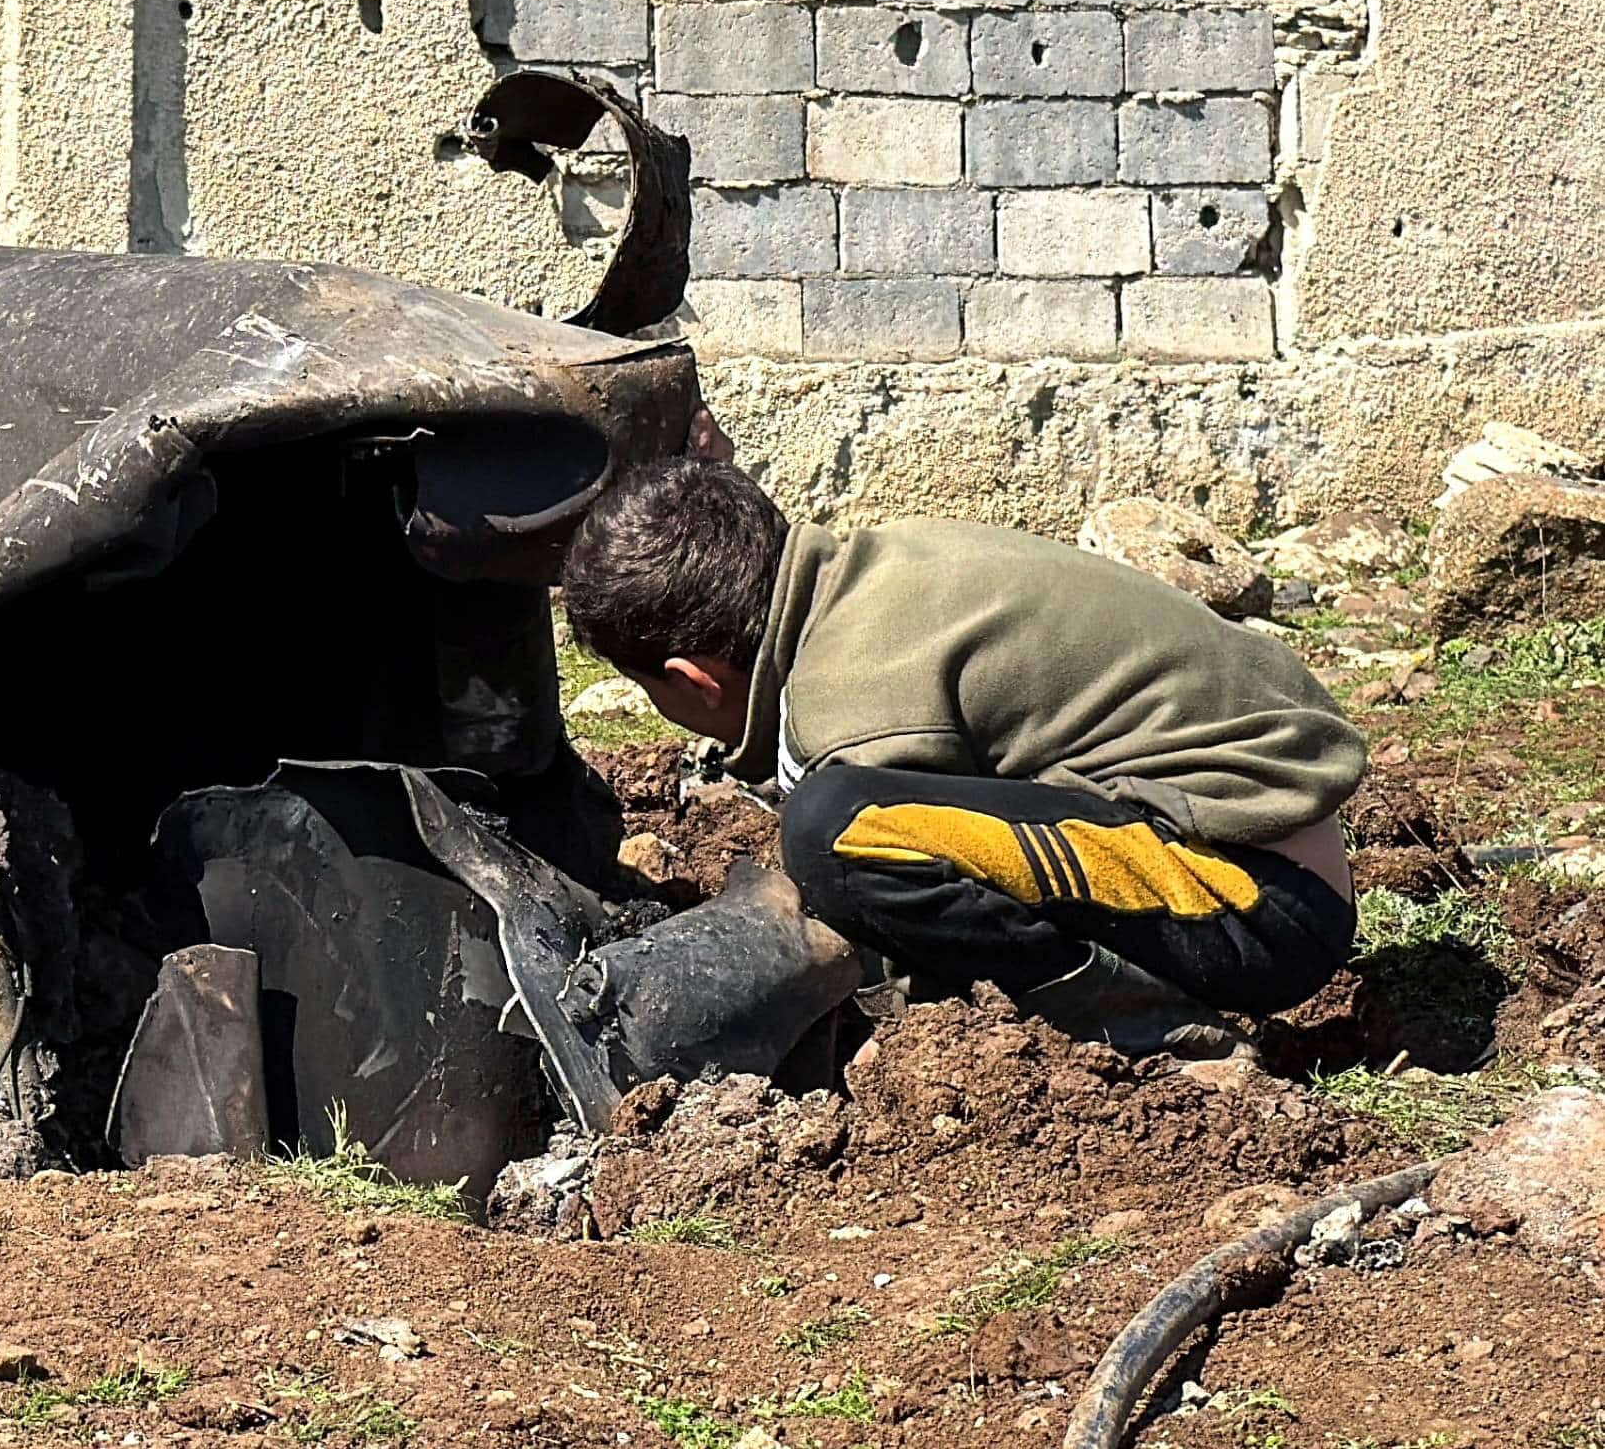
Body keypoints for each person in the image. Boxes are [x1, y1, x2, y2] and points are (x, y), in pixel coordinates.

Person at [556, 457, 1364, 1068]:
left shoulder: (846, 708)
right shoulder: (879, 566)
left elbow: (891, 907)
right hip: (1265, 846)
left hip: (1260, 910)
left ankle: (1151, 1030)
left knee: (839, 832)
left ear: (691, 682)